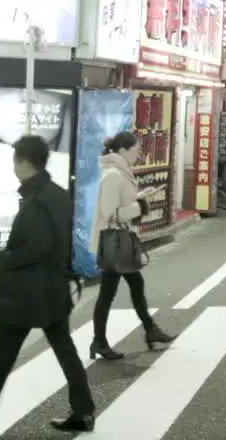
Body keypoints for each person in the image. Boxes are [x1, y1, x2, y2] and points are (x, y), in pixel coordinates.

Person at [0, 136, 95, 432]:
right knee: (64, 349)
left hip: (27, 294)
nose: (14, 168)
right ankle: (84, 411)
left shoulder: (38, 200)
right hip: (52, 289)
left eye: (15, 162)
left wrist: (1, 255)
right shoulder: (58, 195)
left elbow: (36, 248)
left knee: (2, 354)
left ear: (24, 162)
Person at [88, 131, 176, 360]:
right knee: (112, 293)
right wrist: (140, 205)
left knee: (126, 287)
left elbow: (122, 203)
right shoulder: (113, 175)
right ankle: (107, 339)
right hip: (114, 242)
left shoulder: (120, 173)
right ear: (123, 150)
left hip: (120, 241)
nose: (139, 153)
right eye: (136, 149)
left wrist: (141, 196)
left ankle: (147, 330)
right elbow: (110, 213)